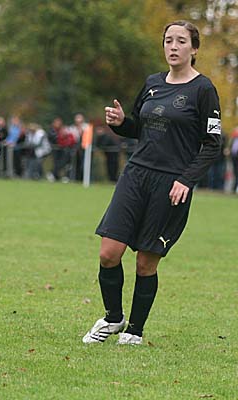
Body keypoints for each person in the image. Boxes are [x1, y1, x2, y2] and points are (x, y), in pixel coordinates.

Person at [83, 20, 222, 345]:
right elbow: (139, 129)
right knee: (108, 252)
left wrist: (186, 180)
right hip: (135, 174)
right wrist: (121, 123)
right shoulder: (152, 83)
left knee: (146, 262)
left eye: (181, 41)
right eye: (168, 40)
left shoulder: (203, 89)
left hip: (171, 184)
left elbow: (213, 144)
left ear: (194, 49)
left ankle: (134, 331)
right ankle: (113, 318)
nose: (173, 46)